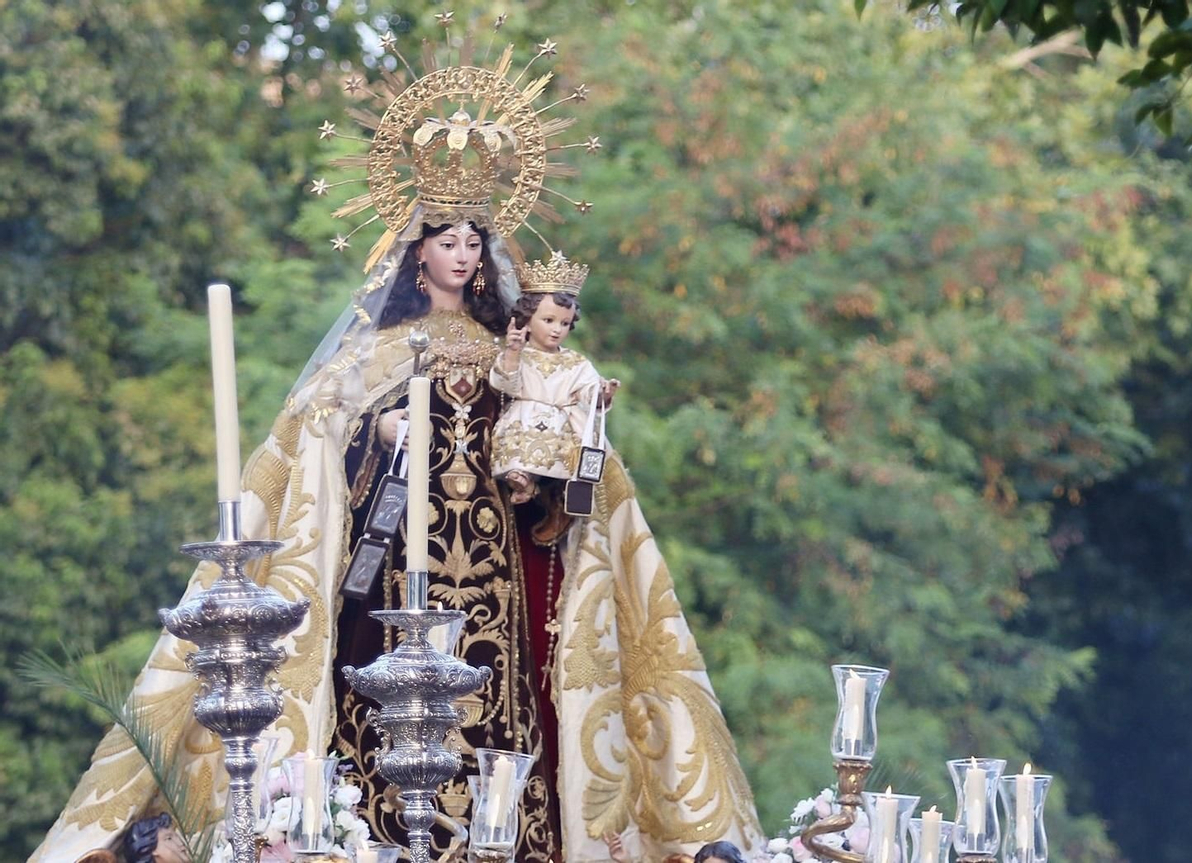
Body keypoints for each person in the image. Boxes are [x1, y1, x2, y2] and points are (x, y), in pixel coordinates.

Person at [31, 29, 762, 863]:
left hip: (499, 580)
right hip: (388, 588)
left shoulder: (514, 353)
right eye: (447, 239)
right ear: (418, 249)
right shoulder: (371, 354)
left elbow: (562, 445)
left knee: (507, 718)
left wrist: (564, 442)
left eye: (473, 242)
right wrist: (373, 435)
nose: (463, 254)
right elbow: (314, 445)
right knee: (375, 724)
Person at [489, 254, 618, 509]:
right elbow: (505, 384)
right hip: (522, 421)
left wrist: (603, 392)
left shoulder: (575, 362)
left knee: (565, 447)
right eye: (548, 321)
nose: (557, 329)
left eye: (565, 323)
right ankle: (525, 480)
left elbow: (588, 393)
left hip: (561, 427)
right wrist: (513, 352)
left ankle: (548, 488)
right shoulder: (520, 354)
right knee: (521, 438)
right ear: (527, 319)